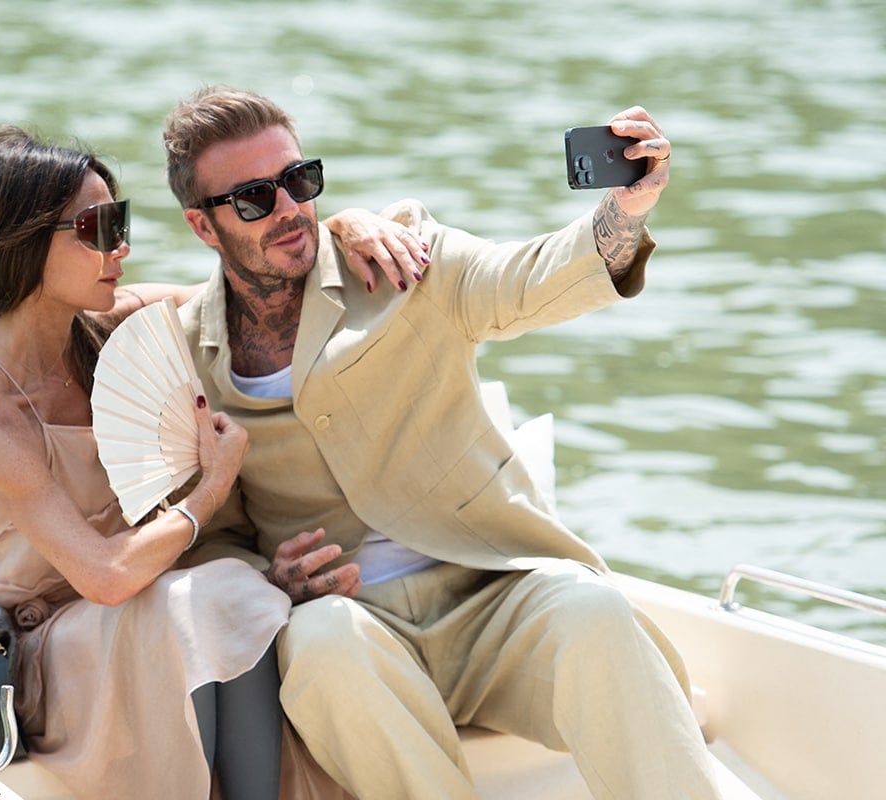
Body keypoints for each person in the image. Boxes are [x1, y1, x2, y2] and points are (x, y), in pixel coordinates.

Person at [163, 85, 724, 799]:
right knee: (320, 644)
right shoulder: (187, 356)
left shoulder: (400, 259)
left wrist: (625, 213)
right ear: (203, 227)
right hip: (357, 622)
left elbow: (523, 280)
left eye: (299, 181)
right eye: (252, 199)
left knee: (596, 613)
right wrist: (271, 577)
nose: (287, 210)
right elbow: (213, 534)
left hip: (492, 595)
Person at [0, 125, 420, 799]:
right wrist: (212, 486)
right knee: (217, 593)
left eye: (121, 221)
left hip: (145, 608)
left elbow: (254, 270)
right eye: (96, 227)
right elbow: (105, 576)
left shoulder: (114, 326)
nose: (121, 247)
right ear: (21, 243)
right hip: (44, 653)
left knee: (222, 594)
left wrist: (347, 224)